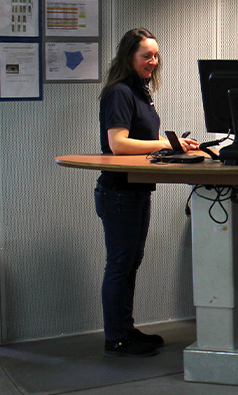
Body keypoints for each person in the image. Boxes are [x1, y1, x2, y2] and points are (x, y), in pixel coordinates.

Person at [95, 27, 198, 357]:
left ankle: (125, 329)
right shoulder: (119, 93)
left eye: (155, 56)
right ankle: (116, 337)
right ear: (129, 57)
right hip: (119, 192)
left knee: (130, 263)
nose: (153, 61)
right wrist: (170, 144)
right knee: (120, 265)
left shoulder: (139, 91)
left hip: (137, 190)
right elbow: (118, 144)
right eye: (146, 56)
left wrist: (173, 147)